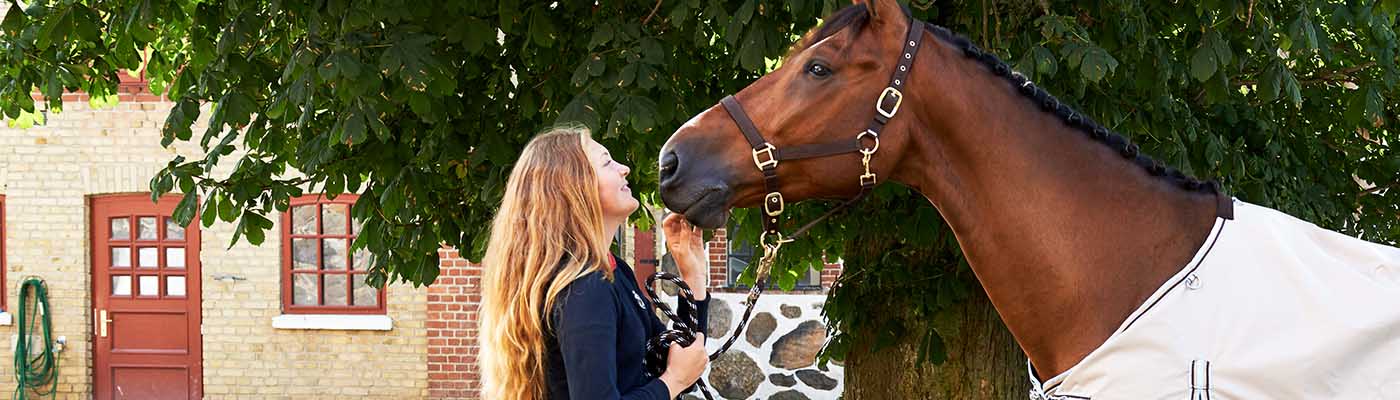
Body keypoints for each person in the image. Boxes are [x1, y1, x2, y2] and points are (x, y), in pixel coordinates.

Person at [480, 126, 711, 400]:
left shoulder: (613, 271)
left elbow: (681, 362)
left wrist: (693, 277)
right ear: (574, 188)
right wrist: (672, 382)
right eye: (606, 162)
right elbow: (674, 376)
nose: (623, 168)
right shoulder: (584, 289)